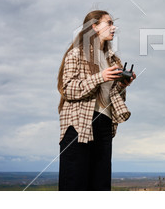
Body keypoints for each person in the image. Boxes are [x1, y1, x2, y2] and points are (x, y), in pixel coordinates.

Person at [57, 10, 135, 191]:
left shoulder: (113, 60)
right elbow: (68, 89)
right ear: (94, 27)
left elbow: (114, 98)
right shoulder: (76, 54)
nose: (114, 27)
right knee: (75, 184)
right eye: (109, 23)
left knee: (100, 186)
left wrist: (123, 85)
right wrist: (100, 76)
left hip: (105, 124)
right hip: (79, 125)